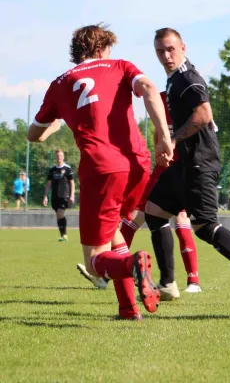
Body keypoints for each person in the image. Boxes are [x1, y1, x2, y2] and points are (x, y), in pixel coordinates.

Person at [28, 23, 173, 320]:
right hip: (137, 164)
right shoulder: (120, 66)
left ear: (76, 51)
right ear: (103, 47)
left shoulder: (59, 84)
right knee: (114, 235)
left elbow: (34, 134)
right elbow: (147, 88)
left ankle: (133, 266)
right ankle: (128, 309)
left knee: (94, 260)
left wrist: (53, 124)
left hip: (102, 170)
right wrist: (164, 138)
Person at [144, 27, 230, 304]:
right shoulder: (175, 80)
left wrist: (172, 139)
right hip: (186, 163)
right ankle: (167, 285)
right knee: (153, 212)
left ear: (183, 47)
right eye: (160, 51)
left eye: (170, 49)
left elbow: (203, 114)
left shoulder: (188, 78)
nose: (166, 55)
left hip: (200, 162)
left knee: (205, 227)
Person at [77, 92, 202, 296]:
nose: (166, 58)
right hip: (163, 168)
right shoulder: (162, 97)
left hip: (184, 168)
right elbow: (158, 131)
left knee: (180, 218)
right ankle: (112, 272)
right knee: (136, 216)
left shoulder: (192, 95)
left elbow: (202, 128)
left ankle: (191, 280)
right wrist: (159, 150)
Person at [43, 148, 75, 241]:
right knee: (58, 215)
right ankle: (62, 235)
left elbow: (72, 183)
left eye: (61, 155)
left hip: (64, 195)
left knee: (60, 213)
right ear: (55, 157)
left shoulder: (67, 169)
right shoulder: (52, 169)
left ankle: (64, 235)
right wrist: (45, 196)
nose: (59, 157)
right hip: (55, 196)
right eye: (57, 156)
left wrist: (72, 195)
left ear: (63, 157)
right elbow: (49, 184)